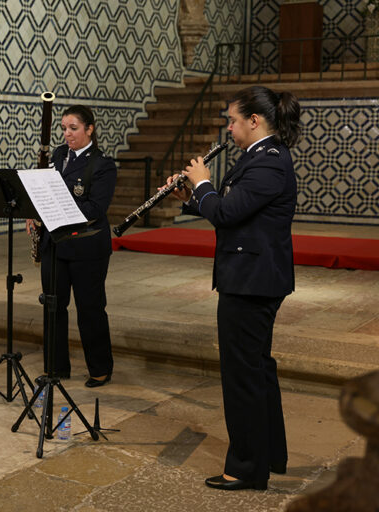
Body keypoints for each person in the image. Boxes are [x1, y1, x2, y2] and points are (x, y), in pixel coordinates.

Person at [165, 85, 300, 490]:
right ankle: (270, 454)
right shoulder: (259, 157)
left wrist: (204, 183)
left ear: (254, 121)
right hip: (252, 277)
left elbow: (225, 212)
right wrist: (192, 194)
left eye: (232, 119)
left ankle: (245, 468)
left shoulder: (270, 162)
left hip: (252, 282)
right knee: (258, 371)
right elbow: (236, 208)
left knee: (243, 376)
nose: (229, 126)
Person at [33, 105, 117, 387]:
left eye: (73, 128)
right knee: (53, 306)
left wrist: (54, 207)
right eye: (64, 128)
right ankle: (55, 367)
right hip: (54, 244)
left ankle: (100, 368)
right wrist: (35, 211)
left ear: (89, 129)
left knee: (90, 308)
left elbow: (95, 207)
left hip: (87, 247)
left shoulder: (102, 165)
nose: (67, 134)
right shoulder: (57, 155)